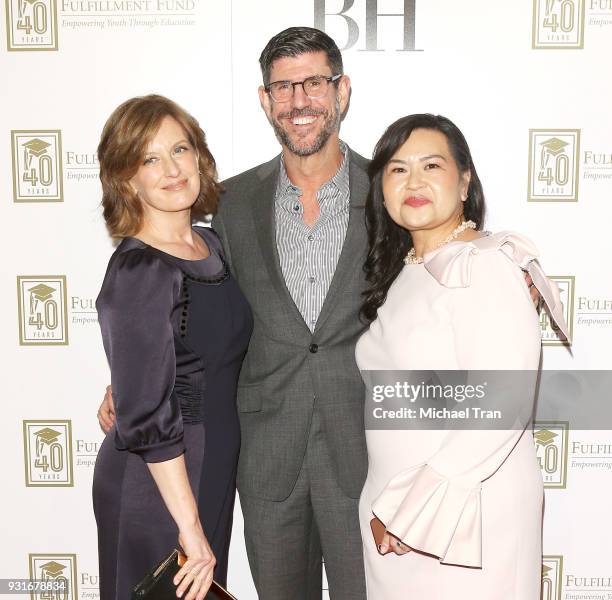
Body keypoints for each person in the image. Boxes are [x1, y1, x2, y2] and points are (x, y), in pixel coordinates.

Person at [96, 28, 541, 600]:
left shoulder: (388, 191)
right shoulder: (227, 207)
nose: (299, 100)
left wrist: (501, 262)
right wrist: (132, 383)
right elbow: (184, 307)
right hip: (264, 463)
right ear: (264, 101)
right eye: (283, 87)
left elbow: (441, 246)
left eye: (314, 82)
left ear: (342, 91)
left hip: (364, 459)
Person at [356, 114, 569, 599]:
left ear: (465, 179)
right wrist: (392, 509)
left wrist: (414, 512)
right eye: (397, 169)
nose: (414, 182)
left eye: (432, 165)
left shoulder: (486, 263)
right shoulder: (404, 270)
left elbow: (501, 404)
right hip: (398, 518)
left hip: (464, 514)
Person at [93, 94, 252, 600]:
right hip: (157, 481)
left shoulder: (213, 245)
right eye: (149, 159)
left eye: (179, 150)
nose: (171, 169)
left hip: (212, 463)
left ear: (199, 157)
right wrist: (189, 528)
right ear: (126, 179)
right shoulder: (139, 269)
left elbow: (188, 347)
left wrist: (131, 373)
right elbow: (149, 412)